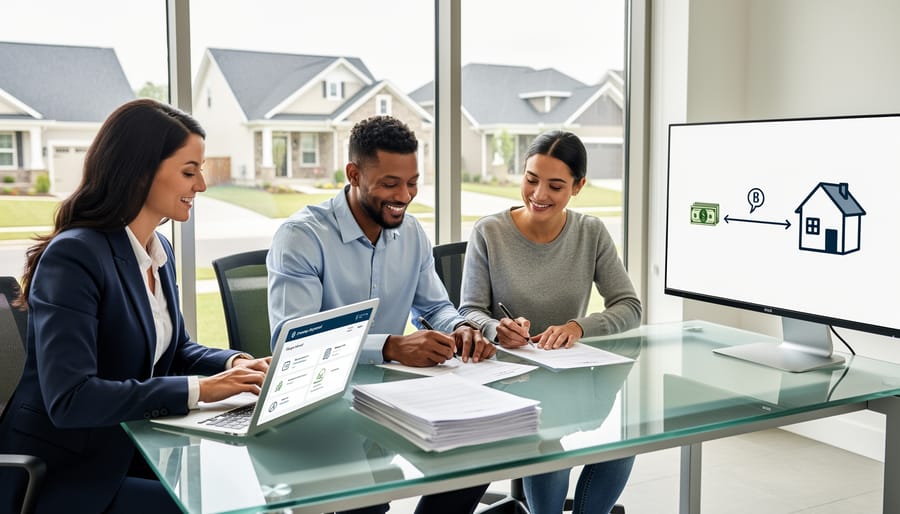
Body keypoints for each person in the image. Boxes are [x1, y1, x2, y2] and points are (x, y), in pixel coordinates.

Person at [0, 99, 271, 514]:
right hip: (67, 475)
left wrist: (233, 363)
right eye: (189, 171)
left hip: (133, 450)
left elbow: (176, 348)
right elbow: (71, 398)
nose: (201, 185)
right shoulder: (74, 257)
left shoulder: (156, 248)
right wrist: (200, 390)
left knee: (246, 486)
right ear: (140, 171)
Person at [267, 115, 494, 514]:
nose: (404, 195)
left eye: (412, 182)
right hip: (323, 409)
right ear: (353, 174)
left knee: (481, 452)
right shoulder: (302, 237)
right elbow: (293, 338)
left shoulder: (412, 234)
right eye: (390, 183)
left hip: (394, 400)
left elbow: (436, 306)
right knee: (364, 505)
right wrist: (389, 347)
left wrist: (460, 327)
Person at [458, 130, 643, 514]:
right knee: (545, 442)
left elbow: (629, 306)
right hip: (505, 381)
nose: (539, 194)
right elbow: (469, 310)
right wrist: (495, 328)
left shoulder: (590, 232)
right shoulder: (489, 232)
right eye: (531, 180)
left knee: (623, 443)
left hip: (570, 377)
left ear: (578, 186)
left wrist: (578, 327)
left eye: (555, 185)